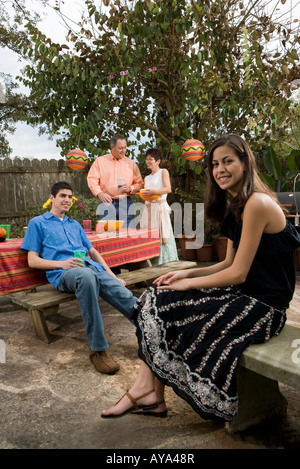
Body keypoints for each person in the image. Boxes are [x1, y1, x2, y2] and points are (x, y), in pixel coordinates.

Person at [101, 134, 300, 421]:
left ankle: (147, 393)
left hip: (264, 308)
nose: (220, 169)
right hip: (243, 294)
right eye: (215, 164)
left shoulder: (257, 203)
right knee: (160, 294)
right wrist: (185, 272)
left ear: (245, 163)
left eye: (228, 161)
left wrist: (188, 282)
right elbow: (227, 262)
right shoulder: (238, 207)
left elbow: (238, 272)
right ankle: (150, 394)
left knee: (175, 306)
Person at [21, 181, 138, 375]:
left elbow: (92, 251)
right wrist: (62, 264)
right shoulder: (38, 223)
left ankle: (152, 330)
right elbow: (32, 260)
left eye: (70, 197)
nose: (67, 200)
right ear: (52, 198)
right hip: (64, 274)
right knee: (86, 276)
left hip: (91, 270)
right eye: (62, 196)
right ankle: (98, 350)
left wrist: (112, 276)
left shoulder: (74, 224)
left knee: (123, 294)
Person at [87, 134, 143, 228]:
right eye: (120, 148)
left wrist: (130, 188)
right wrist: (99, 193)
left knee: (128, 235)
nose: (123, 151)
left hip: (125, 203)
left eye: (125, 147)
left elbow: (140, 183)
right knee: (108, 235)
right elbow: (92, 179)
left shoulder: (131, 164)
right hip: (106, 203)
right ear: (112, 147)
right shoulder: (100, 161)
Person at [139, 148, 178, 265]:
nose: (148, 161)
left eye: (151, 159)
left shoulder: (163, 172)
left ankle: (167, 264)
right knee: (148, 236)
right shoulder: (147, 178)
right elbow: (146, 193)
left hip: (160, 208)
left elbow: (168, 188)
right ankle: (152, 264)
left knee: (162, 236)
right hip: (148, 209)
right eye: (146, 159)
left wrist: (153, 191)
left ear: (158, 161)